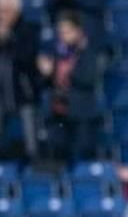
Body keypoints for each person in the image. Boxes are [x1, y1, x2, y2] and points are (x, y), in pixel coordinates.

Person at [37, 11, 100, 166]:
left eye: (68, 31)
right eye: (61, 32)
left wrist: (69, 69)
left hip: (80, 114)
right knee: (58, 155)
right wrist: (47, 72)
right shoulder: (56, 51)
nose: (64, 36)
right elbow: (45, 83)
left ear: (79, 31)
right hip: (58, 112)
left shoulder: (89, 51)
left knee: (82, 157)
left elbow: (88, 78)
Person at [0, 0, 40, 162]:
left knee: (32, 143)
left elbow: (27, 58)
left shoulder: (28, 30)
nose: (2, 15)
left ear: (16, 10)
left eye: (6, 11)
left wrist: (9, 38)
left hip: (23, 93)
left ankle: (34, 176)